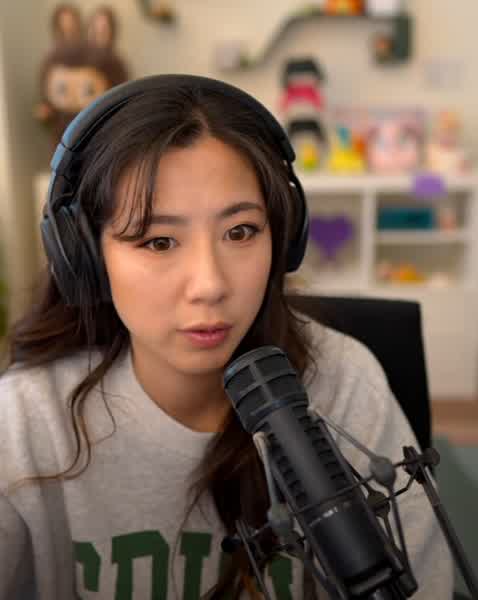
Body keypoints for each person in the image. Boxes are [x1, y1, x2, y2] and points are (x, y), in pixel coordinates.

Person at [0, 74, 452, 599]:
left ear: (283, 236)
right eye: (159, 241)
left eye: (240, 232)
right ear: (85, 257)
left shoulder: (345, 384)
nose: (210, 284)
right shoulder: (25, 424)